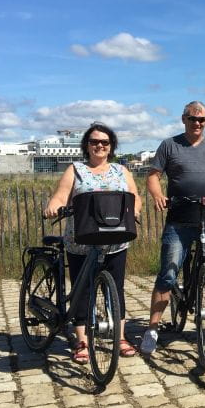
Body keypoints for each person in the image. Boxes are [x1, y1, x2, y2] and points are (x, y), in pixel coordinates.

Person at [141, 101, 205, 356]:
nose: (197, 123)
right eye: (192, 119)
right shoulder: (170, 145)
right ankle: (153, 328)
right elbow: (153, 175)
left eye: (202, 120)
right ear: (183, 119)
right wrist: (157, 195)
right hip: (179, 220)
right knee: (168, 272)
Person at [44, 122, 141, 363]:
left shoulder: (121, 171)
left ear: (111, 147)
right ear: (86, 146)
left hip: (115, 240)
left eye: (104, 142)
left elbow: (134, 197)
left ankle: (120, 338)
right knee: (82, 289)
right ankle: (82, 341)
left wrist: (135, 211)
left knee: (116, 290)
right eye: (94, 141)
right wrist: (54, 205)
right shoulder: (75, 170)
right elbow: (61, 194)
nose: (99, 145)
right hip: (82, 241)